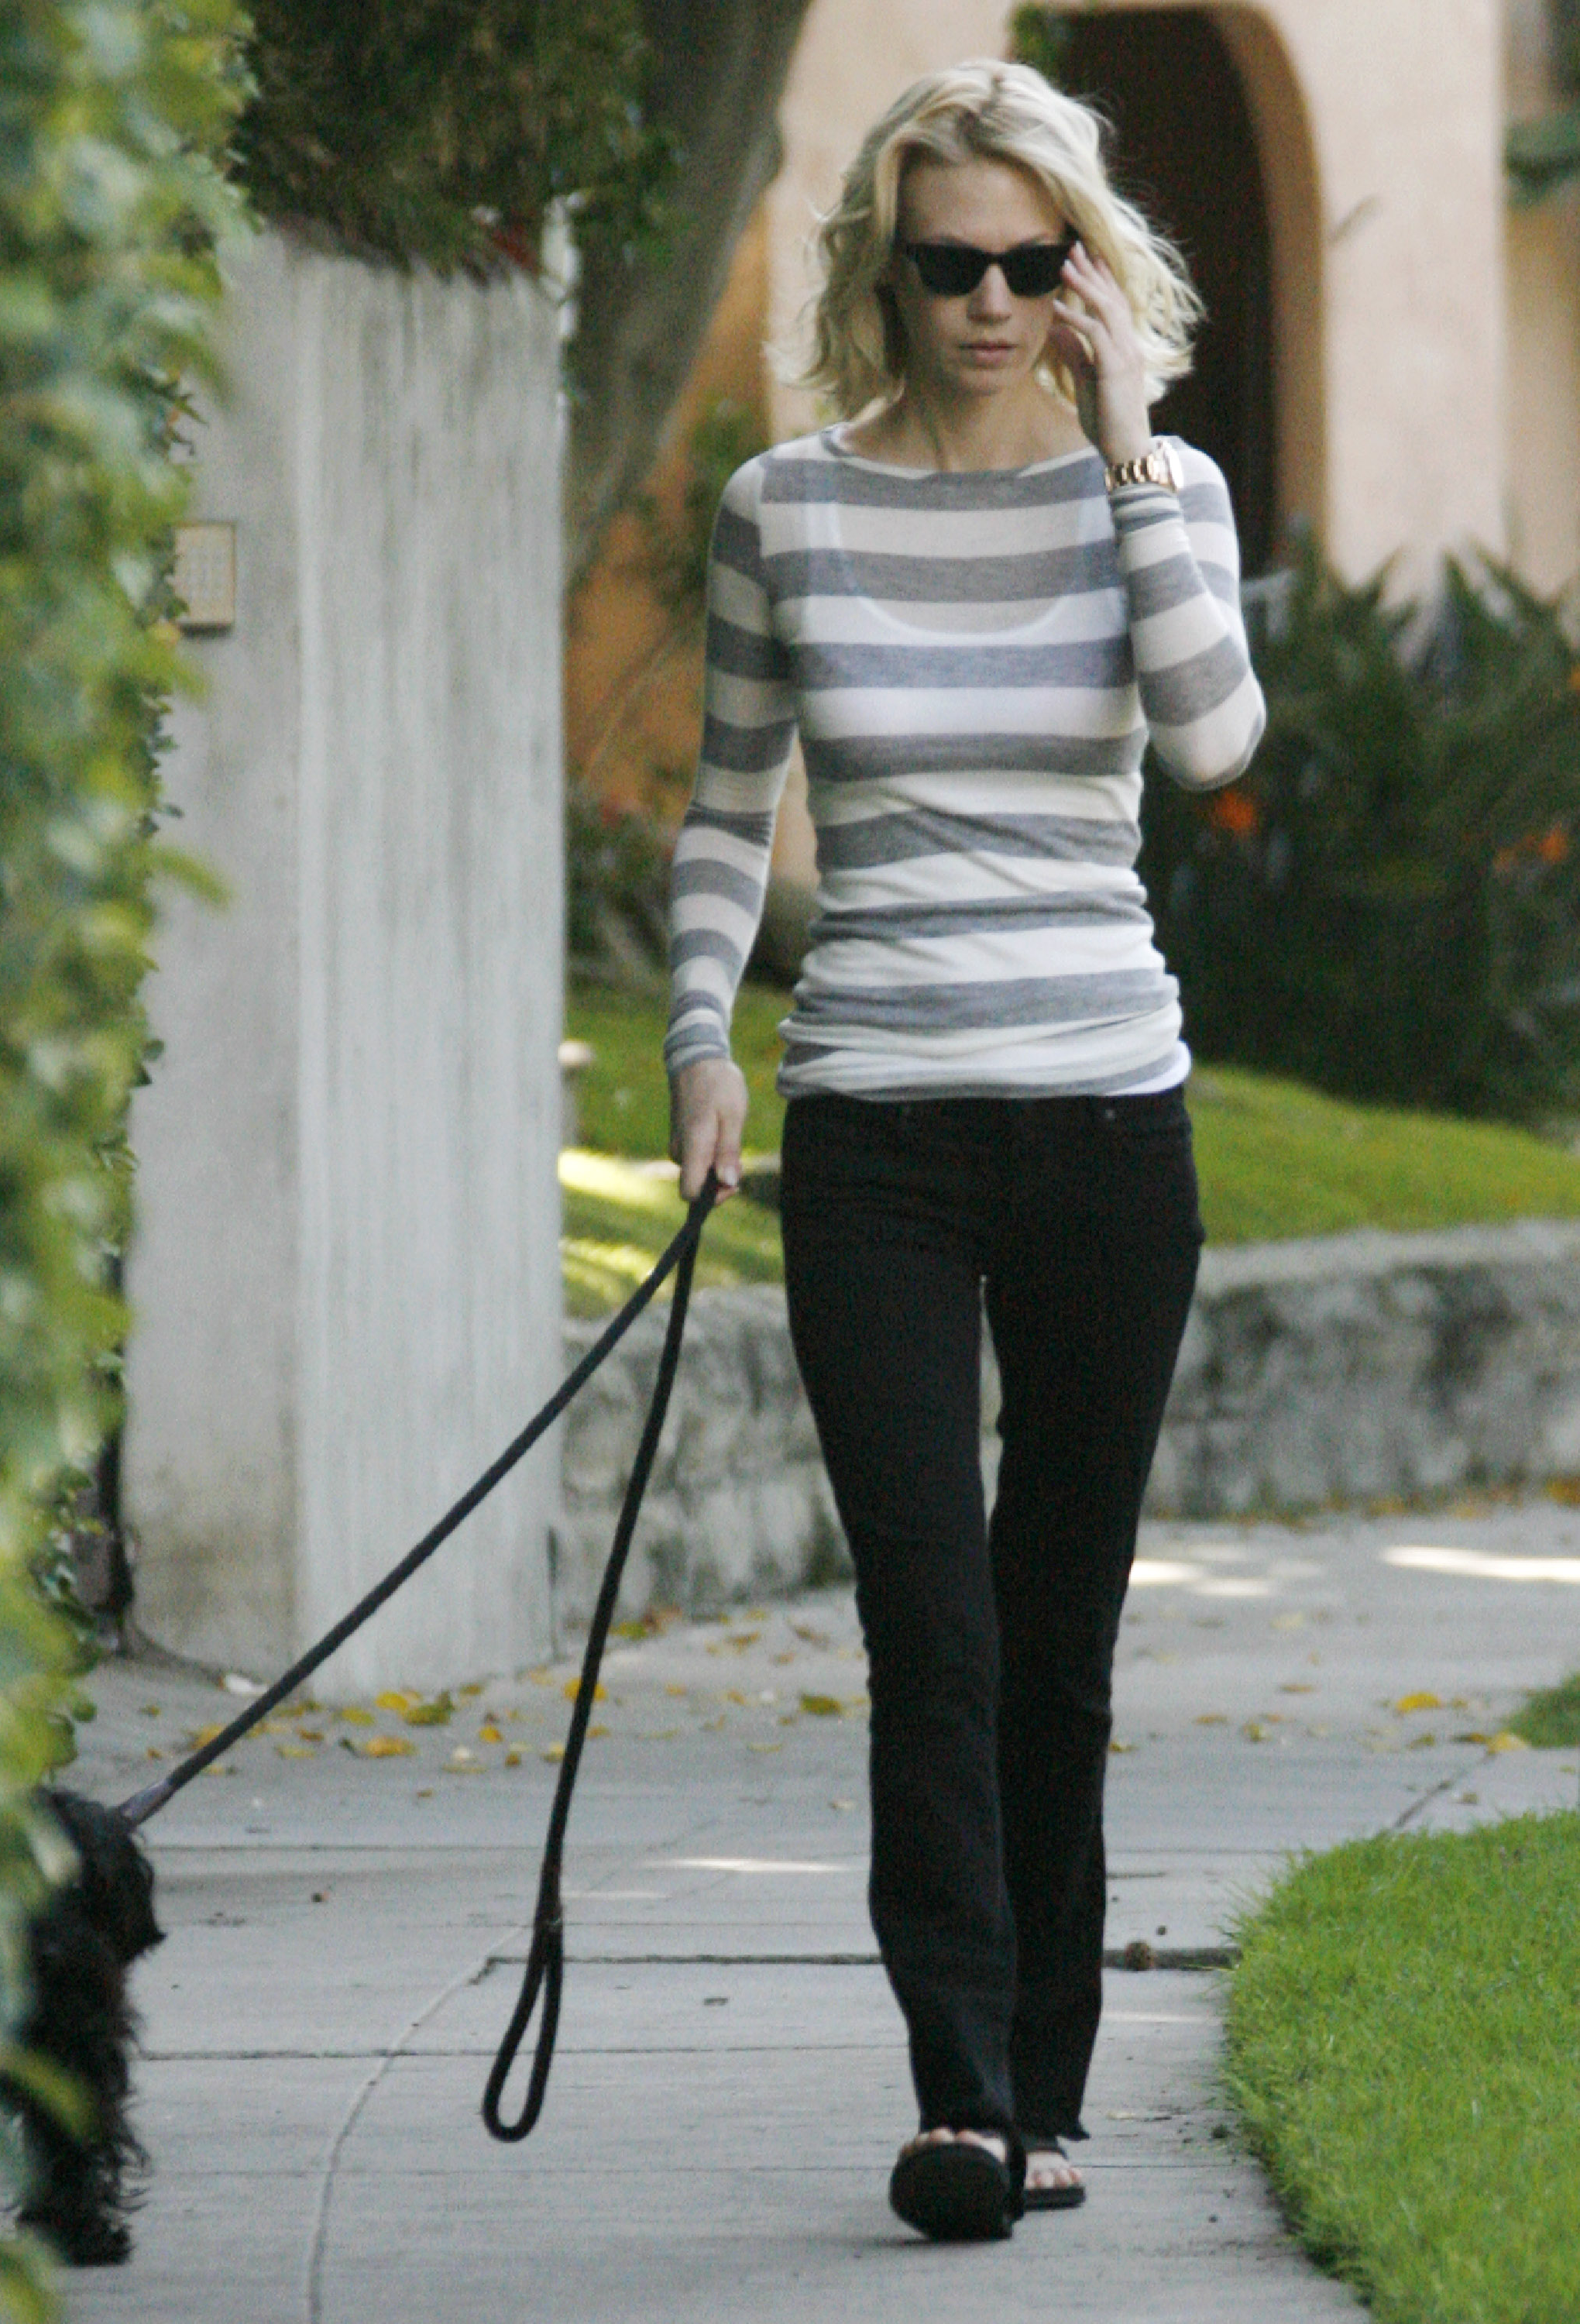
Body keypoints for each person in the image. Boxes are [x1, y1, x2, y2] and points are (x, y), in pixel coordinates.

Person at [664, 59, 1264, 2243]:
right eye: (953, 267)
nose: (994, 304)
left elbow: (1215, 739)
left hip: (1110, 1121)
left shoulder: (1160, 489)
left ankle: (1048, 2084)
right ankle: (962, 2100)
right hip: (877, 1136)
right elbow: (726, 810)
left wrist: (1125, 457)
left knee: (1054, 1633)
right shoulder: (788, 507)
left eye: (1035, 263)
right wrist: (697, 1048)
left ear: (1087, 273)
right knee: (931, 1627)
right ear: (888, 273)